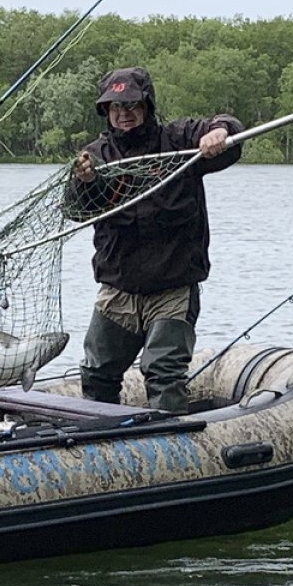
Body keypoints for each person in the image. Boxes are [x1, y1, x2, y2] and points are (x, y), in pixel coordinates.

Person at [68, 66, 244, 414]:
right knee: (97, 372)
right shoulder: (96, 156)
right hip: (118, 290)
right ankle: (100, 442)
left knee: (163, 373)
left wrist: (220, 132)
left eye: (132, 105)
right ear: (106, 112)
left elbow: (232, 132)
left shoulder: (179, 140)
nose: (124, 114)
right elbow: (76, 210)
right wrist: (83, 182)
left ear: (147, 105)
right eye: (115, 107)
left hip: (172, 289)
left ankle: (172, 447)